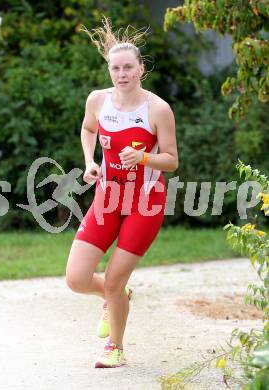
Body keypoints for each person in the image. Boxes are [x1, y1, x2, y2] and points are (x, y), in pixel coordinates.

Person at [65, 17, 178, 368]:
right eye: (116, 68)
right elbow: (87, 129)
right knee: (76, 279)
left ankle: (115, 347)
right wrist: (89, 161)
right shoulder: (98, 101)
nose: (122, 73)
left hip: (145, 203)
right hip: (107, 198)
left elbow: (172, 161)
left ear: (141, 69)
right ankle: (118, 297)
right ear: (109, 70)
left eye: (129, 67)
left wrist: (143, 156)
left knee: (112, 280)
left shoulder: (157, 109)